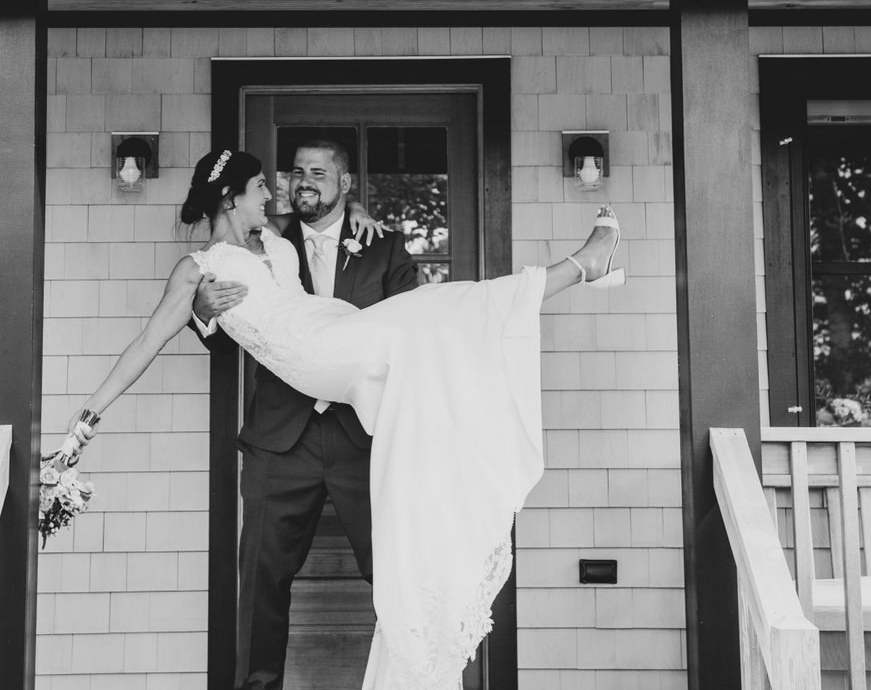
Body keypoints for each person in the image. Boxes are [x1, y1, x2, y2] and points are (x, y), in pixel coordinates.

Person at [64, 147, 623, 690]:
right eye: (264, 186)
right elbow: (144, 342)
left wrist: (351, 209)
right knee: (262, 584)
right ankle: (580, 267)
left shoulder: (278, 239)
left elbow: (315, 225)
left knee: (445, 312)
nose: (277, 191)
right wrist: (89, 417)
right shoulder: (199, 270)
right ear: (232, 199)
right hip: (309, 378)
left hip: (343, 357)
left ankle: (419, 670)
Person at [193, 139, 418, 690]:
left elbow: (412, 331)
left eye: (320, 172)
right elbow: (231, 342)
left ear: (346, 186)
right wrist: (202, 315)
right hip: (280, 439)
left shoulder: (383, 248)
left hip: (361, 437)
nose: (303, 181)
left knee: (395, 574)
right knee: (261, 583)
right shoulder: (260, 239)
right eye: (296, 171)